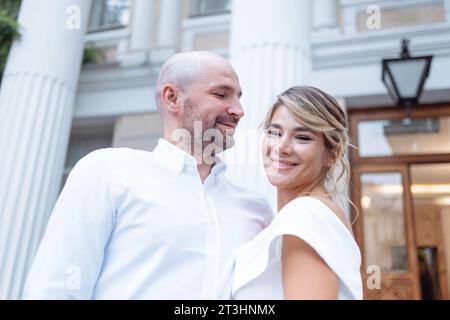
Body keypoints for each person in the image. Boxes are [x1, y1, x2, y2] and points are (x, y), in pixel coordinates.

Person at [24, 51, 273, 299]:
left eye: (239, 97)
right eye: (221, 94)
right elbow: (54, 290)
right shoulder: (108, 173)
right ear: (172, 97)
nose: (239, 110)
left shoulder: (256, 209)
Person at [231, 86, 363, 300]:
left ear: (332, 153)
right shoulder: (312, 213)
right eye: (274, 132)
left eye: (302, 137)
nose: (281, 147)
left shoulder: (305, 215)